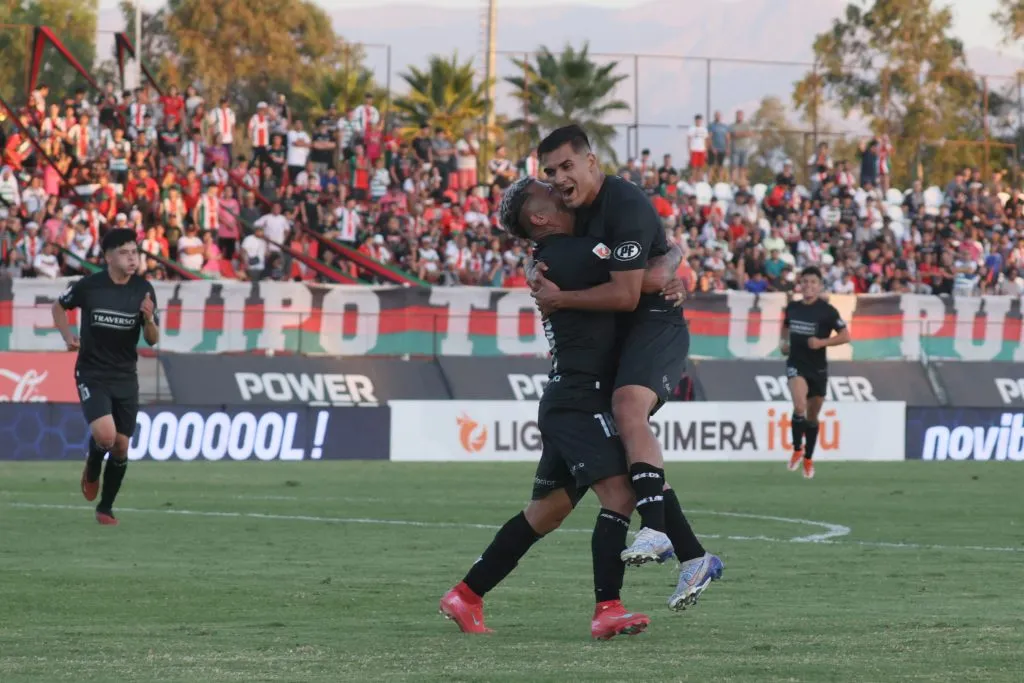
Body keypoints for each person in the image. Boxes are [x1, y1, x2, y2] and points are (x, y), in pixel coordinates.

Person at [440, 178, 694, 639]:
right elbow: (646, 278)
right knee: (620, 495)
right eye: (545, 189)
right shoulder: (573, 255)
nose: (558, 188)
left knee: (547, 511)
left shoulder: (554, 258)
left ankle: (466, 595)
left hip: (569, 397)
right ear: (538, 217)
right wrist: (674, 255)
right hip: (580, 400)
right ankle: (607, 609)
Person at [530, 126, 722, 605]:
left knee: (627, 406)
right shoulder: (573, 216)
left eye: (566, 166)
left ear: (591, 161)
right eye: (550, 172)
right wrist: (673, 256)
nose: (558, 179)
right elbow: (653, 263)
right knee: (626, 453)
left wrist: (560, 298)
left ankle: (655, 531)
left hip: (655, 322)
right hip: (621, 333)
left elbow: (627, 291)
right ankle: (694, 556)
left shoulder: (624, 203)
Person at [51, 229, 159, 525]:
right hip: (92, 372)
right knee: (107, 436)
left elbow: (152, 338)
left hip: (125, 376)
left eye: (135, 252)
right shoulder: (89, 286)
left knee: (122, 445)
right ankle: (93, 463)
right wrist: (67, 335)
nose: (132, 258)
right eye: (125, 253)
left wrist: (148, 319)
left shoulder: (143, 289)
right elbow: (59, 306)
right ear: (108, 256)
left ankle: (106, 507)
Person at [779, 266, 852, 479]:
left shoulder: (827, 311)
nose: (808, 286)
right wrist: (783, 342)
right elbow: (785, 327)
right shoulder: (792, 307)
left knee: (812, 417)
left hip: (818, 368)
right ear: (800, 285)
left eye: (813, 282)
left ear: (819, 286)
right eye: (805, 282)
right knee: (799, 406)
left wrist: (822, 342)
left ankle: (808, 458)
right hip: (797, 364)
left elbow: (845, 336)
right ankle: (796, 449)